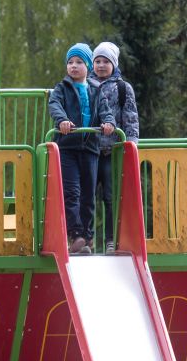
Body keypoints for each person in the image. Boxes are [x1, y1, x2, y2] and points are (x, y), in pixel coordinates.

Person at [48, 42, 116, 256]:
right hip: (68, 147)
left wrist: (108, 123)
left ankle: (87, 237)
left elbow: (105, 110)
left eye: (79, 62)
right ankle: (76, 235)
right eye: (70, 62)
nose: (74, 66)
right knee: (72, 193)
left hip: (90, 148)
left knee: (88, 194)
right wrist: (62, 120)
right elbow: (54, 105)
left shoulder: (96, 89)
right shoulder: (62, 88)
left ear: (88, 66)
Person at [90, 41, 139, 254]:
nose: (101, 65)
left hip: (112, 151)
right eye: (97, 61)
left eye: (106, 61)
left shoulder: (122, 88)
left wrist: (131, 143)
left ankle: (111, 240)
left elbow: (130, 117)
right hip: (90, 150)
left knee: (111, 198)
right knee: (87, 196)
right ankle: (86, 239)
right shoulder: (85, 85)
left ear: (114, 64)